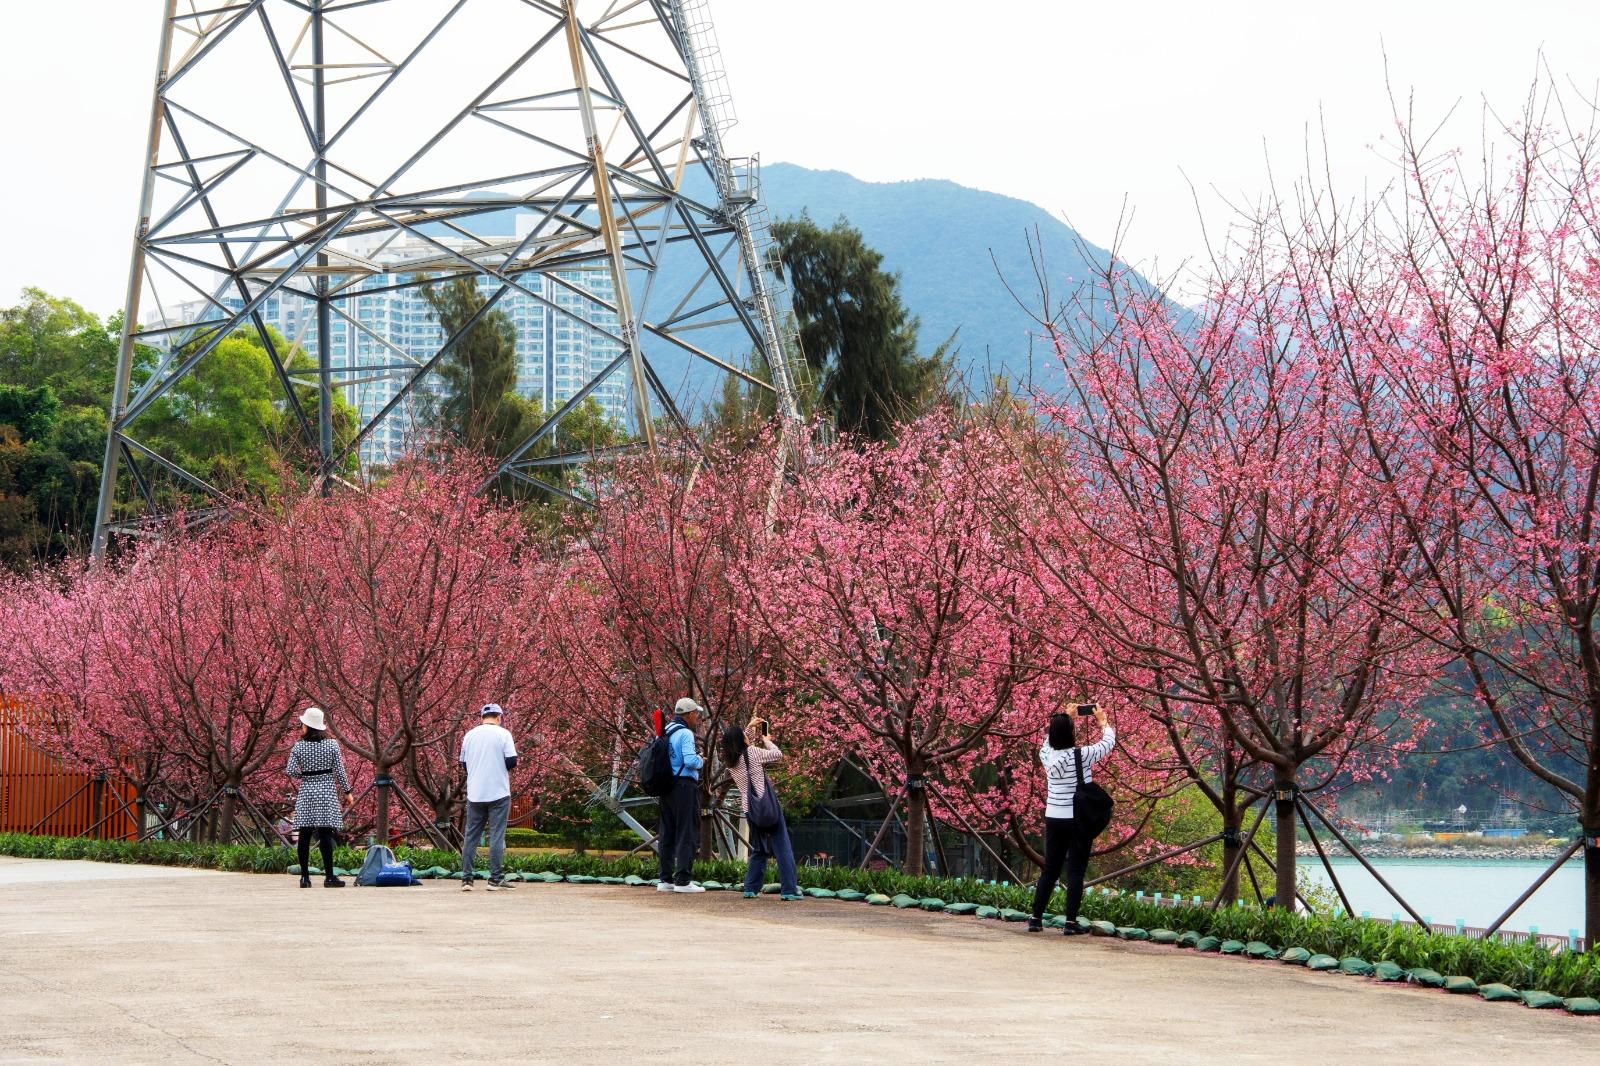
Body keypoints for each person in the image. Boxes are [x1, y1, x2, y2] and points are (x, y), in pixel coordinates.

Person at [1029, 703, 1115, 934]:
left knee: (1050, 869)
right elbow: (1108, 743)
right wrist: (1102, 720)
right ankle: (1069, 923)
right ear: (1072, 733)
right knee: (1076, 870)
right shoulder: (1082, 755)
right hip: (1077, 819)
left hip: (1054, 818)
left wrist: (1065, 717)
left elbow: (1049, 739)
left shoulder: (1045, 754)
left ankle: (1035, 919)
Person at [723, 719, 801, 901]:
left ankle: (750, 888)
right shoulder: (754, 752)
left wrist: (749, 728)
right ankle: (789, 890)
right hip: (768, 808)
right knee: (783, 848)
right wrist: (767, 740)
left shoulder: (731, 761)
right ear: (741, 740)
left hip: (750, 810)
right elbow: (777, 754)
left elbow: (744, 748)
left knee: (759, 849)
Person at [285, 707, 352, 888]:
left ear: (307, 725)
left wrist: (305, 776)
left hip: (307, 791)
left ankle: (305, 878)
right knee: (325, 834)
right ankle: (329, 877)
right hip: (326, 791)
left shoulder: (299, 746)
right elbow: (340, 770)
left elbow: (290, 770)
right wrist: (347, 791)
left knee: (305, 835)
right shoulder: (332, 745)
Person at [459, 702, 518, 892]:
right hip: (499, 792)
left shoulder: (469, 735)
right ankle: (495, 879)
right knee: (496, 835)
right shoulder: (504, 734)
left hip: (475, 793)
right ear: (499, 717)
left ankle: (467, 879)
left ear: (482, 717)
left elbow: (464, 764)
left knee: (471, 836)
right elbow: (512, 761)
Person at [656, 697, 706, 893]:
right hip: (684, 785)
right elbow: (690, 761)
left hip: (666, 786)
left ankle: (665, 879)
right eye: (696, 714)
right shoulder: (685, 733)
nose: (697, 718)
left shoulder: (665, 730)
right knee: (687, 831)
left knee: (667, 832)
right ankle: (683, 880)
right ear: (690, 714)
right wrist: (701, 760)